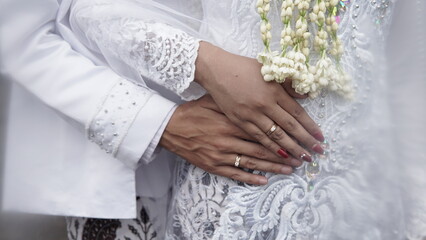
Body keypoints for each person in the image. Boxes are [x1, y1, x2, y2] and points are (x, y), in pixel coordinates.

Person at [1, 0, 425, 240]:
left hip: (353, 194)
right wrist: (158, 121)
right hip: (135, 168)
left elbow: (405, 69)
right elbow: (21, 31)